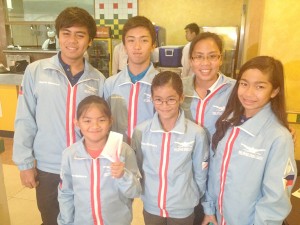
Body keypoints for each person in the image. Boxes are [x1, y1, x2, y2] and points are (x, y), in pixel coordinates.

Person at [12, 7, 106, 225]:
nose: (72, 40)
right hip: (48, 168)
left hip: (86, 166)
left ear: (89, 40)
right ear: (58, 35)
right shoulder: (36, 72)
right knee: (51, 220)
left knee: (85, 220)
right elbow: (25, 118)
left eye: (80, 35)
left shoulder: (97, 80)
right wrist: (25, 163)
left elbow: (102, 127)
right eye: (66, 33)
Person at [202, 56, 297, 225]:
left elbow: (276, 198)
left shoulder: (279, 137)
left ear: (274, 91)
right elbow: (214, 172)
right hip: (218, 218)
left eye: (260, 86)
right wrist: (209, 210)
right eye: (244, 84)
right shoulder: (227, 124)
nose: (248, 93)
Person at [132, 71, 209, 225]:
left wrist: (191, 195)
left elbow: (200, 173)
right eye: (158, 100)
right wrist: (146, 194)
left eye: (171, 100)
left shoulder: (196, 133)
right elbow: (138, 165)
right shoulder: (141, 131)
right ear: (152, 99)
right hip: (151, 205)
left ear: (181, 98)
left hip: (183, 207)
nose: (165, 106)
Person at [57, 95, 141, 225]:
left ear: (110, 121)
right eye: (87, 121)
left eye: (101, 120)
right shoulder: (69, 155)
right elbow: (66, 193)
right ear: (77, 123)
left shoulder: (123, 151)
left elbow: (135, 192)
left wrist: (123, 175)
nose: (94, 126)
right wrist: (65, 222)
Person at [181, 32, 236, 224]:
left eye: (212, 56)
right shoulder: (179, 88)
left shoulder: (235, 91)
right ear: (191, 60)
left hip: (219, 176)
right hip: (186, 175)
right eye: (199, 56)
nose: (205, 63)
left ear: (220, 58)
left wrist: (284, 127)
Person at [104, 16, 159, 144]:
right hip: (118, 157)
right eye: (131, 41)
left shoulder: (162, 84)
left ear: (153, 46)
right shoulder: (111, 84)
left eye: (144, 40)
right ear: (124, 46)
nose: (137, 46)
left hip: (150, 158)